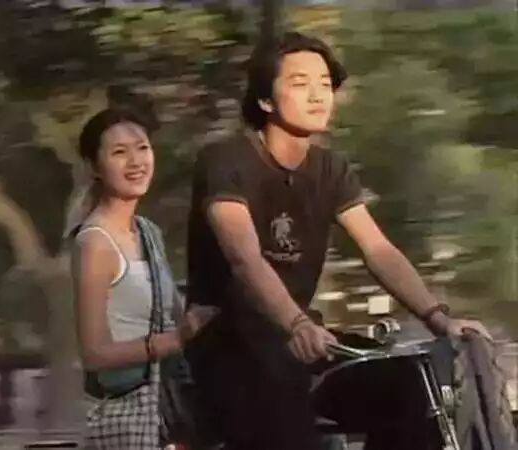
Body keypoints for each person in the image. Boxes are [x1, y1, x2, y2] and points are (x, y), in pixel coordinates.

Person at [185, 31, 490, 450]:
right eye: (300, 83)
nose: (318, 95)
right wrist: (296, 323)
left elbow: (378, 250)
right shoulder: (225, 160)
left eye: (325, 84)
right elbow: (245, 259)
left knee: (412, 390)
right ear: (265, 100)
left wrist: (440, 320)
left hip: (302, 340)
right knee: (284, 415)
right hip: (229, 345)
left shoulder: (331, 169)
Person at [69, 97, 217, 449]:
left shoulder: (149, 232)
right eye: (119, 152)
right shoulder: (95, 242)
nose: (136, 161)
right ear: (94, 167)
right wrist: (175, 340)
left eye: (142, 148)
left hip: (166, 406)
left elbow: (174, 314)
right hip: (127, 411)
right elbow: (94, 354)